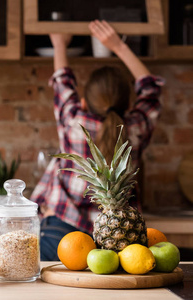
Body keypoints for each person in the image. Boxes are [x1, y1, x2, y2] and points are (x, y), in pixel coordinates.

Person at [30, 20, 164, 261]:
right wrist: (118, 46)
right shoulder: (135, 127)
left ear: (84, 102)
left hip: (63, 229)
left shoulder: (73, 120)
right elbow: (151, 89)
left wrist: (59, 43)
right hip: (120, 237)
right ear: (127, 104)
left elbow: (62, 82)